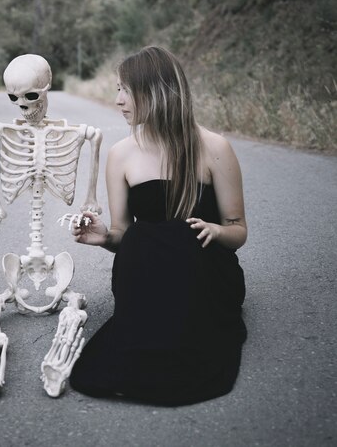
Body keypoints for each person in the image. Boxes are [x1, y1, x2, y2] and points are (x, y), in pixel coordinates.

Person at [69, 45, 247, 406]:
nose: (118, 100)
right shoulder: (121, 153)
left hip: (204, 271)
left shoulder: (214, 147)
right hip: (147, 275)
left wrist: (216, 231)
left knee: (178, 237)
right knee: (148, 238)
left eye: (125, 90)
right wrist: (104, 237)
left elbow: (238, 230)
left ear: (157, 92)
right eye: (117, 89)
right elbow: (123, 234)